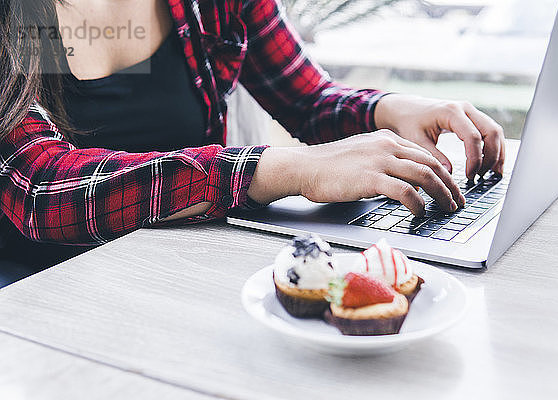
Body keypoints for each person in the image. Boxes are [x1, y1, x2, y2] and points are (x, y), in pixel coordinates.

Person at [0, 0, 504, 282]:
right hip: (41, 290)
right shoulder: (18, 17)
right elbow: (42, 189)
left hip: (181, 270)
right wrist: (287, 169)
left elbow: (307, 100)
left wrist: (388, 109)